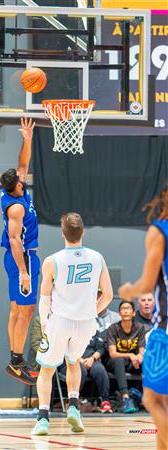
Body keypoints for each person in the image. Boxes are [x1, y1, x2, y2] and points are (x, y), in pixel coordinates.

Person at [32, 212, 113, 436]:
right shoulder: (97, 257)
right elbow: (107, 295)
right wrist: (89, 313)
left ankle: (43, 419)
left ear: (62, 233)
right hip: (85, 323)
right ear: (82, 232)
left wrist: (46, 324)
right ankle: (75, 407)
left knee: (47, 370)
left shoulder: (53, 260)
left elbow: (45, 299)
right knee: (73, 362)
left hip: (60, 321)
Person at [118, 183, 168, 450]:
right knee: (165, 402)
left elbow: (147, 285)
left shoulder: (160, 231)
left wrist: (129, 290)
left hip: (166, 327)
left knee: (152, 400)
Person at [0, 117, 39, 386]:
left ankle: (16, 361)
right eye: (20, 181)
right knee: (25, 311)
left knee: (17, 310)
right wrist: (24, 271)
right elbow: (15, 241)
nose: (23, 179)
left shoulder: (16, 190)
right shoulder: (16, 207)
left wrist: (27, 139)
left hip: (20, 258)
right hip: (21, 257)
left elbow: (23, 164)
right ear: (15, 188)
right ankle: (16, 362)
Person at [106, 300, 145, 413]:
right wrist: (131, 355)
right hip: (115, 362)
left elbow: (142, 349)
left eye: (128, 308)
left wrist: (139, 356)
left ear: (133, 313)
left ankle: (151, 398)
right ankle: (125, 398)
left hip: (132, 362)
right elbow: (112, 353)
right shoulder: (113, 329)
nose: (126, 310)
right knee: (118, 360)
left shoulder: (139, 328)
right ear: (119, 313)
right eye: (123, 308)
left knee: (148, 361)